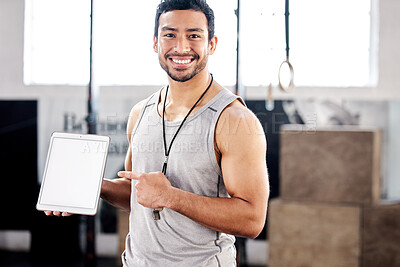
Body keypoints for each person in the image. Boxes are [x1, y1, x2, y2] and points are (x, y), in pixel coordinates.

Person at [46, 0, 269, 265]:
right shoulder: (141, 112)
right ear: (155, 43)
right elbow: (138, 193)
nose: (181, 47)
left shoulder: (234, 120)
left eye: (194, 35)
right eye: (170, 35)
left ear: (212, 44)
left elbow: (252, 220)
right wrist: (95, 187)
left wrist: (171, 197)